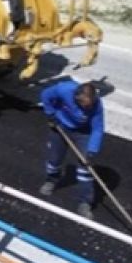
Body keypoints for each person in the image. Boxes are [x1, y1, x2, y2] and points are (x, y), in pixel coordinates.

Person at [39, 79, 105, 220]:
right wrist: (51, 114)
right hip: (60, 127)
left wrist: (92, 150)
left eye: (89, 106)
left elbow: (98, 129)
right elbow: (45, 95)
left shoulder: (97, 105)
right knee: (54, 160)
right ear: (76, 98)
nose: (86, 109)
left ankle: (85, 202)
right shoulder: (64, 90)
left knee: (85, 169)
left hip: (83, 133)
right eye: (83, 106)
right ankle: (51, 180)